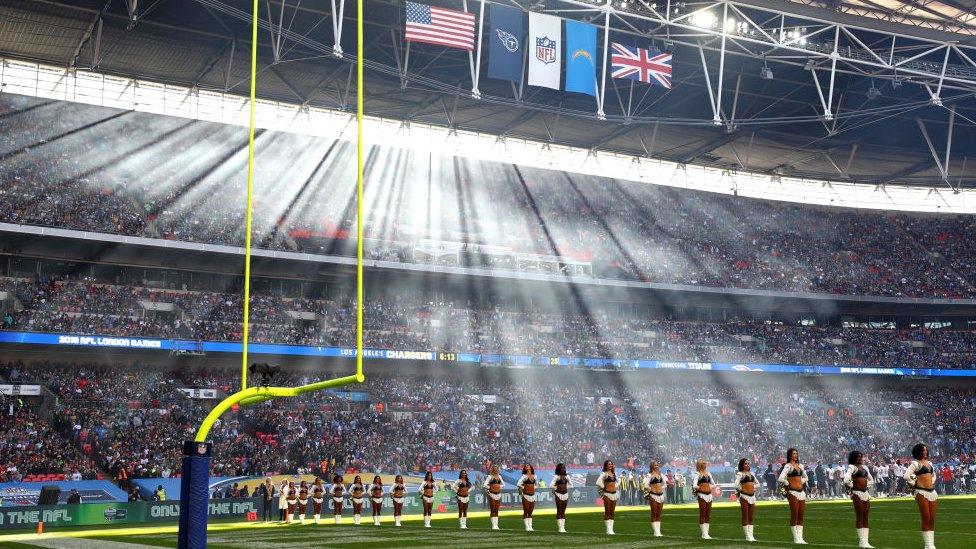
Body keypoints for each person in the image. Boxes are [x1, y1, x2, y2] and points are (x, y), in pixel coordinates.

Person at [905, 443, 938, 549]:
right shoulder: (915, 463)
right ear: (918, 452)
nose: (925, 452)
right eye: (923, 450)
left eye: (926, 450)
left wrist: (932, 482)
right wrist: (914, 483)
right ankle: (928, 544)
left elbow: (934, 475)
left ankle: (931, 544)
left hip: (932, 492)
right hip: (921, 492)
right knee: (926, 517)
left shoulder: (930, 463)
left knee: (932, 518)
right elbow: (906, 476)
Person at [778, 448, 809, 544]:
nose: (796, 455)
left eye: (796, 453)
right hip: (792, 493)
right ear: (790, 455)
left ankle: (801, 538)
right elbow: (780, 478)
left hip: (801, 493)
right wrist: (788, 483)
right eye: (794, 454)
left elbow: (806, 477)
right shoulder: (788, 466)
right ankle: (796, 538)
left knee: (801, 515)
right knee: (794, 515)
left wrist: (801, 481)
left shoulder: (800, 466)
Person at [844, 450, 874, 548]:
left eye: (861, 456)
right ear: (854, 458)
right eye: (858, 457)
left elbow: (871, 480)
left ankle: (866, 541)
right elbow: (846, 479)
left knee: (866, 517)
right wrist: (852, 486)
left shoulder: (864, 467)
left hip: (865, 493)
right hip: (857, 493)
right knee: (860, 516)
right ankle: (862, 541)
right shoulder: (852, 467)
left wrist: (866, 486)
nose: (860, 458)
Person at [735, 458, 758, 542]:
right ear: (742, 465)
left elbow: (758, 483)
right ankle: (747, 535)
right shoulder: (740, 474)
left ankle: (751, 535)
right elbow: (736, 484)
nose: (747, 465)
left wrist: (753, 487)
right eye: (745, 463)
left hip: (752, 496)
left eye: (748, 463)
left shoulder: (751, 474)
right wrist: (741, 489)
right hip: (744, 496)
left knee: (751, 516)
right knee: (745, 515)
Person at [642, 460, 665, 538]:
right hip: (653, 496)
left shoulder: (660, 474)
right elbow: (645, 485)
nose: (657, 466)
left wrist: (660, 488)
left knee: (659, 514)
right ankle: (656, 532)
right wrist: (651, 489)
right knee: (654, 513)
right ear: (652, 466)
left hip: (661, 495)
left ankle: (658, 531)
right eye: (655, 465)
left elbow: (665, 484)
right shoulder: (649, 475)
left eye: (657, 465)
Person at [692, 460, 714, 540]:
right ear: (700, 465)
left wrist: (709, 487)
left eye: (705, 463)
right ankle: (703, 534)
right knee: (703, 513)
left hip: (709, 495)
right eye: (704, 463)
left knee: (708, 514)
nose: (705, 464)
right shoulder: (697, 474)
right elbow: (694, 485)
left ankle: (707, 533)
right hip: (702, 495)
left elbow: (714, 484)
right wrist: (701, 487)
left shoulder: (709, 474)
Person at [596, 459, 619, 535]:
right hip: (607, 494)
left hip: (614, 494)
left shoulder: (614, 474)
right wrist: (604, 487)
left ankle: (611, 529)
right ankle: (608, 530)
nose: (610, 465)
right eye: (609, 464)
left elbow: (619, 481)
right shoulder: (604, 473)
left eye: (611, 464)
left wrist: (616, 486)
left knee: (612, 512)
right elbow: (598, 482)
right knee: (608, 511)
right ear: (606, 466)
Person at [550, 463, 572, 533]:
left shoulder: (567, 477)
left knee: (563, 511)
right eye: (561, 468)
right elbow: (551, 485)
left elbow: (571, 485)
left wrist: (565, 488)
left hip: (565, 495)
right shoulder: (556, 477)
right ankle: (560, 528)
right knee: (559, 511)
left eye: (564, 468)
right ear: (558, 469)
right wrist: (557, 488)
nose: (563, 469)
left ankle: (563, 527)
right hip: (558, 495)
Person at [516, 464, 538, 531]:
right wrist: (524, 487)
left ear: (531, 467)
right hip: (526, 495)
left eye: (528, 466)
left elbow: (536, 485)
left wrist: (533, 488)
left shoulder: (535, 476)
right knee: (526, 511)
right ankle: (527, 527)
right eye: (526, 466)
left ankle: (530, 526)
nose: (527, 467)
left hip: (532, 495)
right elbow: (518, 484)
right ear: (525, 469)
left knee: (530, 512)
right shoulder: (524, 476)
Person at [483, 464, 504, 530]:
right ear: (492, 470)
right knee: (493, 509)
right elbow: (484, 485)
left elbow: (503, 484)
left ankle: (496, 525)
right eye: (494, 469)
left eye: (497, 469)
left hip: (498, 494)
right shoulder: (489, 477)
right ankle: (493, 525)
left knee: (497, 510)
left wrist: (499, 486)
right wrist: (491, 487)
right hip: (492, 494)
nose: (496, 470)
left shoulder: (500, 476)